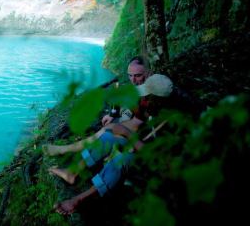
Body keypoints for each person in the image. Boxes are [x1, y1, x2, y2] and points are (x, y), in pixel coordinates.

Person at [46, 73, 176, 215]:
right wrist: (119, 129)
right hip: (141, 145)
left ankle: (79, 199)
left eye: (146, 96)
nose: (143, 99)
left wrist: (126, 133)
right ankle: (73, 172)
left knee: (121, 159)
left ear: (156, 99)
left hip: (155, 164)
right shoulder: (150, 108)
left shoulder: (170, 121)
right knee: (108, 138)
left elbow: (156, 157)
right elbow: (137, 126)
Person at [101, 56, 150, 127]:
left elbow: (137, 122)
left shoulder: (153, 93)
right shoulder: (138, 87)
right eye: (130, 75)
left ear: (148, 73)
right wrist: (112, 114)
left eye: (138, 75)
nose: (133, 80)